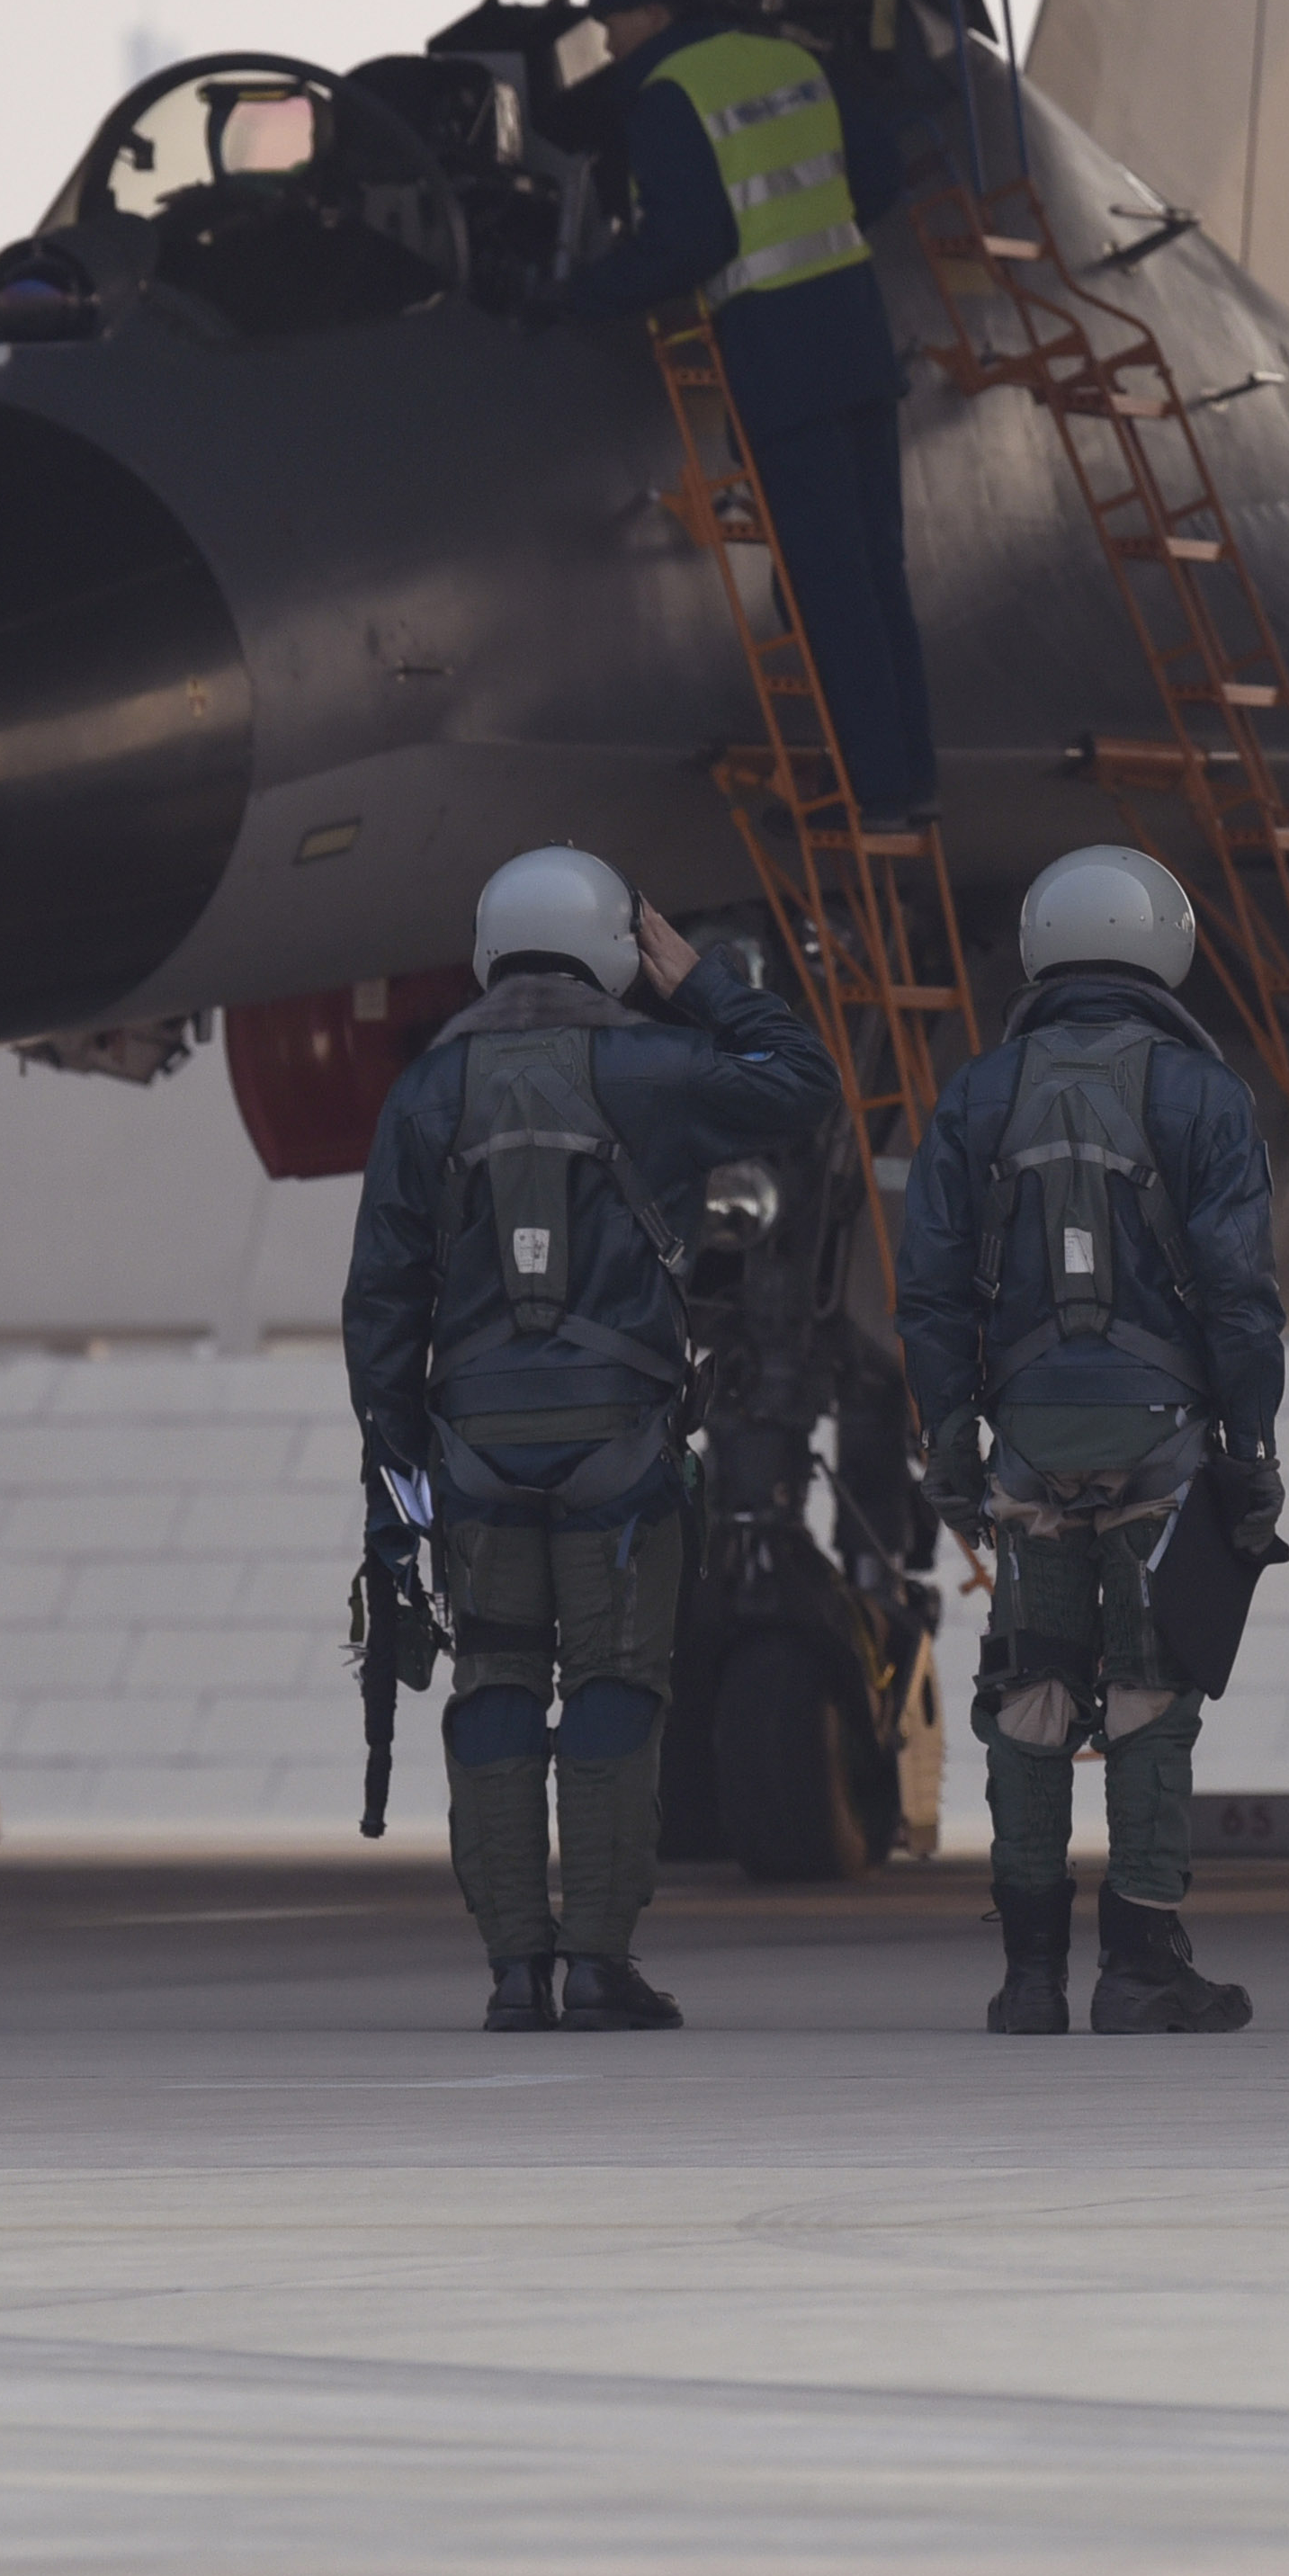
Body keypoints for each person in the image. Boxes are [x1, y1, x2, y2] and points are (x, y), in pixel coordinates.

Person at [345, 844, 840, 2031]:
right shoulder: (654, 1068)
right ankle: (599, 1964)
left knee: (495, 1681)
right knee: (618, 1683)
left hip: (471, 1453)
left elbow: (381, 1308)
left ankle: (516, 1971)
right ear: (613, 949)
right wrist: (705, 981)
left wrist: (396, 1488)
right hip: (620, 1444)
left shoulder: (424, 1092)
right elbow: (802, 1082)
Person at [898, 844, 1287, 2034]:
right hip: (1162, 1438)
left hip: (1024, 1442)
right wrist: (1252, 1452)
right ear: (1164, 944)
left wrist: (954, 1448)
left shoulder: (975, 1093)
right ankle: (1141, 1961)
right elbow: (1239, 1297)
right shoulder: (1203, 1094)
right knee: (1150, 1695)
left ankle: (1026, 1978)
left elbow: (930, 1295)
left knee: (1030, 1691)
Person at [550, 0, 941, 824]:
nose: (607, 42)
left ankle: (869, 792)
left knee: (823, 579)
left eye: (613, 21)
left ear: (651, 10)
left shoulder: (664, 93)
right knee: (879, 571)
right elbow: (877, 177)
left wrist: (581, 298)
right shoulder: (787, 59)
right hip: (855, 341)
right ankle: (911, 779)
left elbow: (690, 239)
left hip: (777, 353)